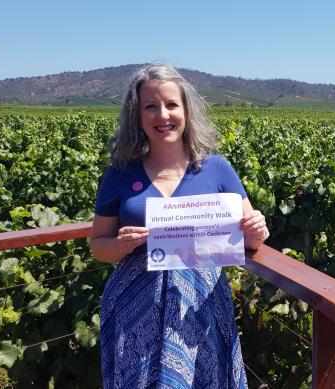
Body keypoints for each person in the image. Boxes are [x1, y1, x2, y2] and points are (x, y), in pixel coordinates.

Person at [90, 63, 269, 388]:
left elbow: (251, 241)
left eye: (171, 104)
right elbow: (98, 245)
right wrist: (118, 246)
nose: (163, 115)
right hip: (134, 309)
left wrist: (257, 230)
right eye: (150, 106)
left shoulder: (217, 169)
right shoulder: (119, 173)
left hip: (200, 307)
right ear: (137, 115)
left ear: (186, 109)